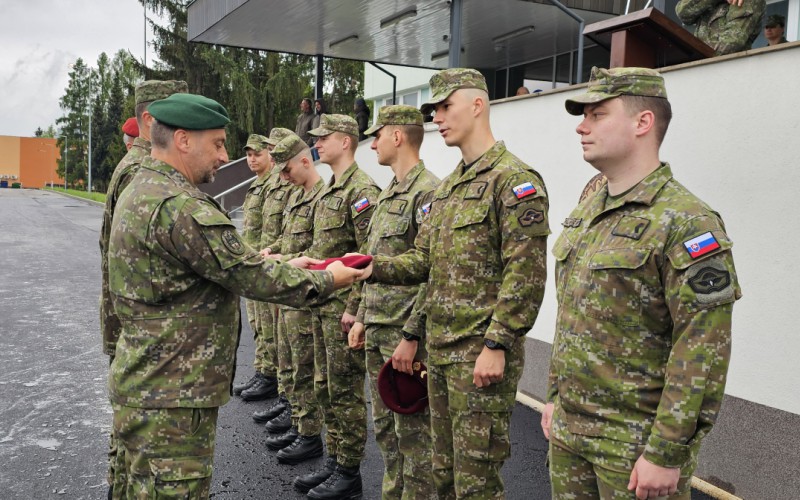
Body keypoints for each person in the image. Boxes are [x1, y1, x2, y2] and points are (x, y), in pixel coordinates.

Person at [107, 93, 364, 498]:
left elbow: (229, 265)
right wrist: (328, 279)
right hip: (173, 395)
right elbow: (247, 274)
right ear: (184, 140)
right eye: (219, 143)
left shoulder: (143, 187)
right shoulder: (180, 205)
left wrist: (289, 266)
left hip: (146, 382)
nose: (225, 157)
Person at [541, 67, 742, 499]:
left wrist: (667, 452)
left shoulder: (687, 221)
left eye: (597, 114)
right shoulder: (587, 212)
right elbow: (572, 315)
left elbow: (701, 348)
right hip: (570, 432)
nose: (581, 125)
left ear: (642, 122)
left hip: (634, 447)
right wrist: (555, 396)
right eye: (584, 115)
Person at [362, 68, 551, 498]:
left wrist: (497, 344)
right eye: (434, 110)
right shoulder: (449, 190)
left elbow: (525, 274)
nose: (438, 118)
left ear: (478, 105)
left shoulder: (515, 181)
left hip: (478, 360)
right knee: (441, 476)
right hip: (442, 354)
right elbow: (426, 266)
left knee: (476, 484)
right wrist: (368, 268)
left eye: (446, 106)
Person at [98, 79, 187, 500]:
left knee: (129, 448)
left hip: (127, 324)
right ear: (151, 120)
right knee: (146, 460)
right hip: (144, 334)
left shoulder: (129, 167)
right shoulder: (142, 171)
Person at [347, 104, 440, 499]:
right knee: (386, 432)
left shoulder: (429, 192)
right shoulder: (387, 196)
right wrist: (363, 319)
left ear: (397, 136)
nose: (372, 145)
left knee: (414, 439)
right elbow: (373, 263)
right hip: (379, 329)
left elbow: (432, 270)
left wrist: (412, 335)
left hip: (404, 337)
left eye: (378, 135)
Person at [296, 114, 380, 499]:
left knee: (345, 391)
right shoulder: (332, 189)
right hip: (321, 304)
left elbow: (367, 260)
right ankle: (334, 458)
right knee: (325, 386)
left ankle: (349, 473)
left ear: (345, 141)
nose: (317, 144)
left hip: (341, 312)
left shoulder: (361, 191)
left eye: (323, 137)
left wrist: (356, 309)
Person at [259, 133, 329, 467]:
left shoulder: (323, 197)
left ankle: (309, 433)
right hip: (291, 293)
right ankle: (299, 419)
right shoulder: (297, 196)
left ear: (305, 160)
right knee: (291, 362)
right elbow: (291, 241)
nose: (283, 178)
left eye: (287, 170)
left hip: (308, 295)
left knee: (306, 368)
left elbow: (320, 252)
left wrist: (282, 261)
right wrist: (276, 252)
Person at [246, 127, 300, 420]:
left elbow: (287, 234)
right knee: (262, 327)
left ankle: (281, 388)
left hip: (279, 268)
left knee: (283, 340)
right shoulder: (265, 186)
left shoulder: (289, 186)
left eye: (267, 150)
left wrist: (274, 255)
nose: (270, 154)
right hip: (260, 264)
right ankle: (269, 377)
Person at [232, 133, 288, 403]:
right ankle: (263, 370)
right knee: (258, 323)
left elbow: (278, 230)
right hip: (253, 262)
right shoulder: (256, 186)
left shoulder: (276, 185)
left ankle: (271, 375)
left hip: (268, 263)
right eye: (249, 154)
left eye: (258, 153)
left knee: (270, 326)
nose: (252, 159)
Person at [676, 0, 765, 55]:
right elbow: (683, 12)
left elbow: (730, 44)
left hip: (729, 70)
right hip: (699, 70)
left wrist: (697, 60)